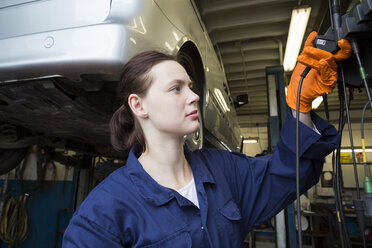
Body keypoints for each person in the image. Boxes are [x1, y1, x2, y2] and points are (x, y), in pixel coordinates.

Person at [62, 32, 351, 247]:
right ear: (139, 106)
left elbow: (290, 174)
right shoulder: (104, 211)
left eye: (190, 85)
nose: (195, 96)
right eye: (176, 89)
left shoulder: (224, 170)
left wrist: (300, 106)